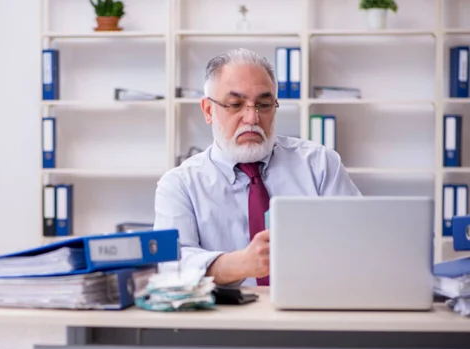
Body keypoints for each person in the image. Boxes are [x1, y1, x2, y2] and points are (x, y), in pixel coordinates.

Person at [153, 48, 361, 286]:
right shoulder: (180, 184)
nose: (252, 118)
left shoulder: (319, 165)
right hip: (221, 319)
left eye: (264, 104)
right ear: (208, 110)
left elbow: (358, 239)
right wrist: (240, 264)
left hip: (309, 311)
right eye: (235, 104)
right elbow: (171, 263)